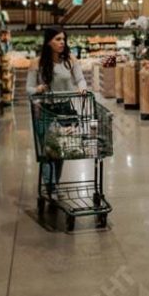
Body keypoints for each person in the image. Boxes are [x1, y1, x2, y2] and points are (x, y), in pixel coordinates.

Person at [27, 27, 87, 194]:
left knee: (60, 150)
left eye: (63, 39)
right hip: (44, 110)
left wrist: (82, 88)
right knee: (47, 151)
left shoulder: (70, 60)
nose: (62, 42)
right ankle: (51, 187)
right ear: (48, 42)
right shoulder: (36, 63)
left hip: (64, 109)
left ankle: (54, 184)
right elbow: (28, 89)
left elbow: (80, 79)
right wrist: (38, 89)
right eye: (58, 39)